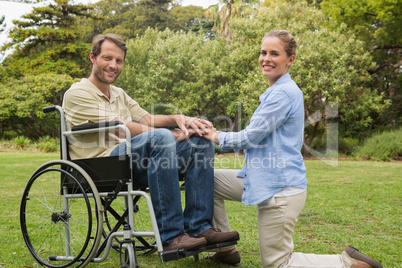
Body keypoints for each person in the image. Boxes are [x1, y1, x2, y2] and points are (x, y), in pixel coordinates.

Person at [202, 30, 383, 268]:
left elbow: (250, 137)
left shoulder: (284, 94)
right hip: (262, 177)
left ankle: (349, 263)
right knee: (208, 180)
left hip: (281, 189)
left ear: (290, 59)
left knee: (277, 263)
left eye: (274, 53)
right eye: (263, 52)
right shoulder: (275, 91)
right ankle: (225, 250)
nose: (266, 58)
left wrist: (214, 135)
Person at [62, 33, 239, 252]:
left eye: (119, 61)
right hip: (99, 165)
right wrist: (173, 135)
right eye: (107, 58)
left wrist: (179, 120)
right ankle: (171, 236)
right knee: (162, 137)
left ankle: (198, 226)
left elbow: (147, 119)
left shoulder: (118, 93)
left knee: (199, 142)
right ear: (92, 58)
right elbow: (119, 128)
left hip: (130, 160)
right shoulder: (78, 93)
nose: (113, 65)